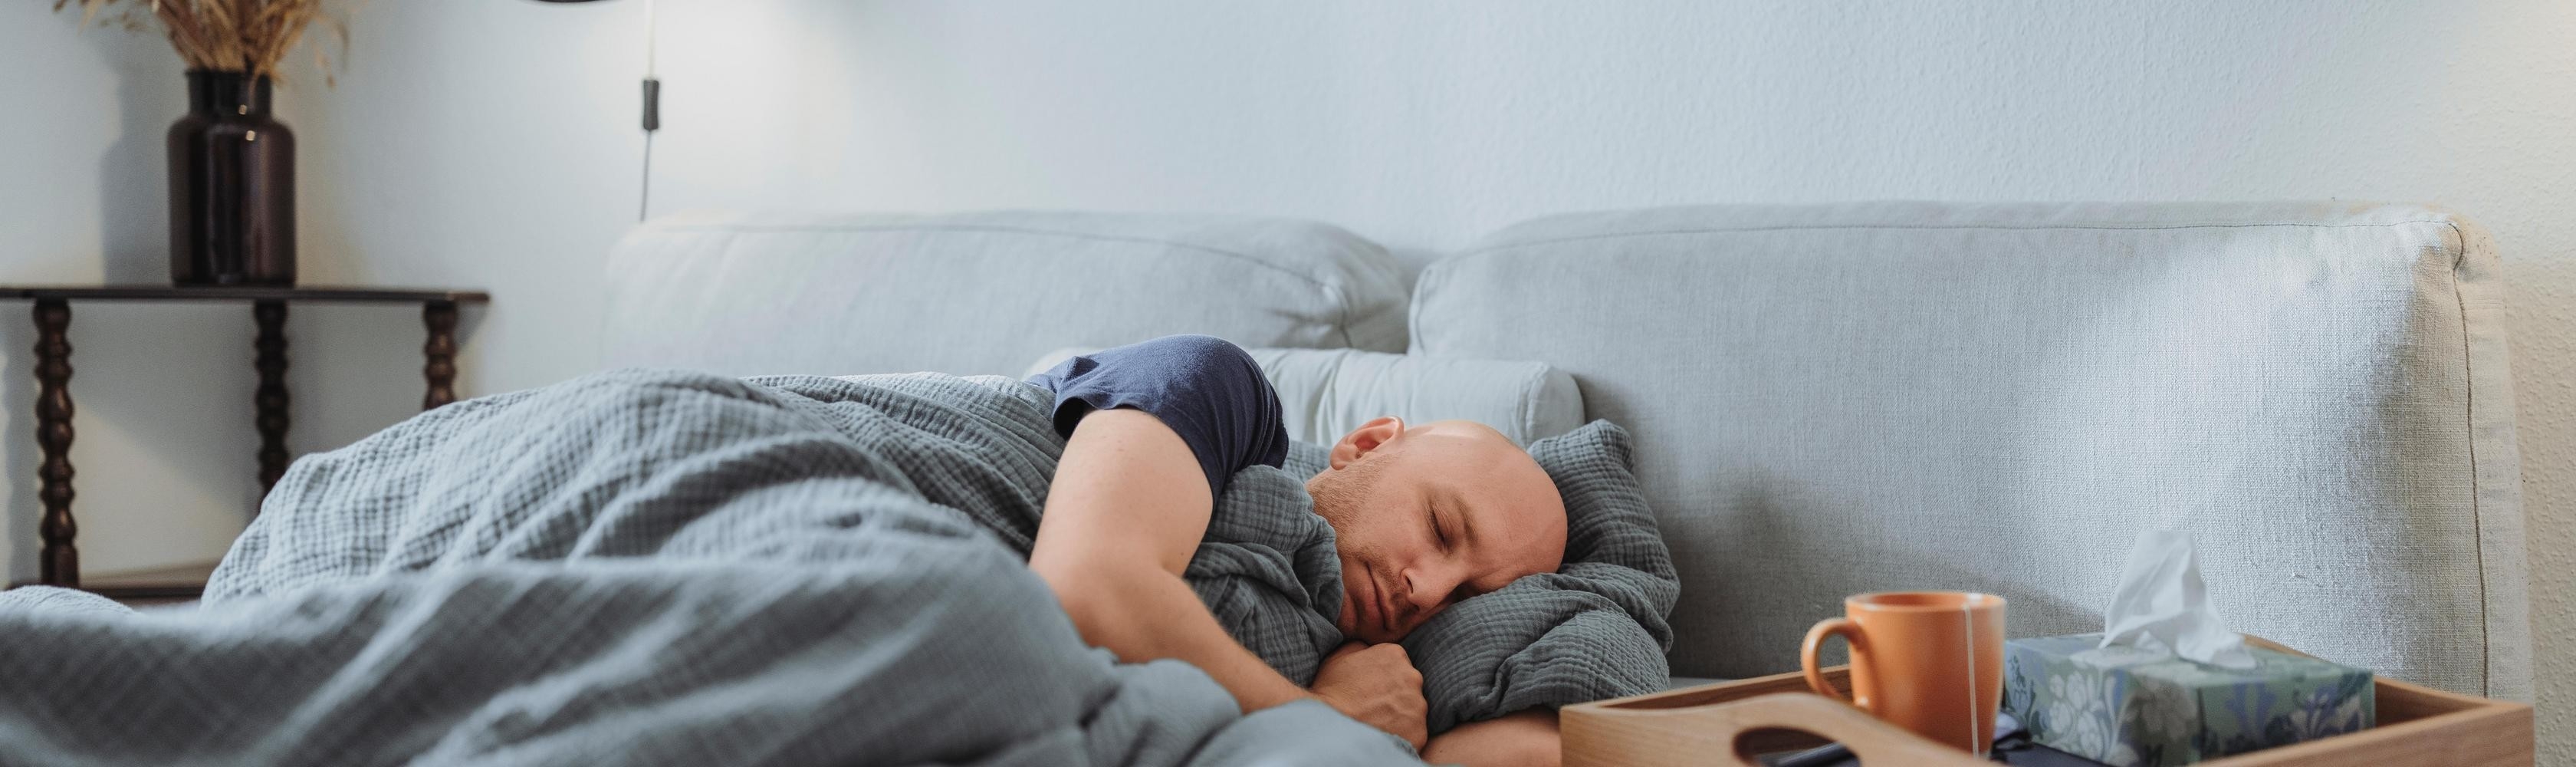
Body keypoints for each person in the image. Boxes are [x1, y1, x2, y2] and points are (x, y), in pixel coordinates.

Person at [1025, 334, 1571, 766]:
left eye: (1467, 596)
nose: (1427, 594)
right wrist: (1328, 715)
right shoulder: (1221, 385)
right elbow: (1088, 590)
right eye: (1441, 528)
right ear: (1367, 445)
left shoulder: (1342, 663)